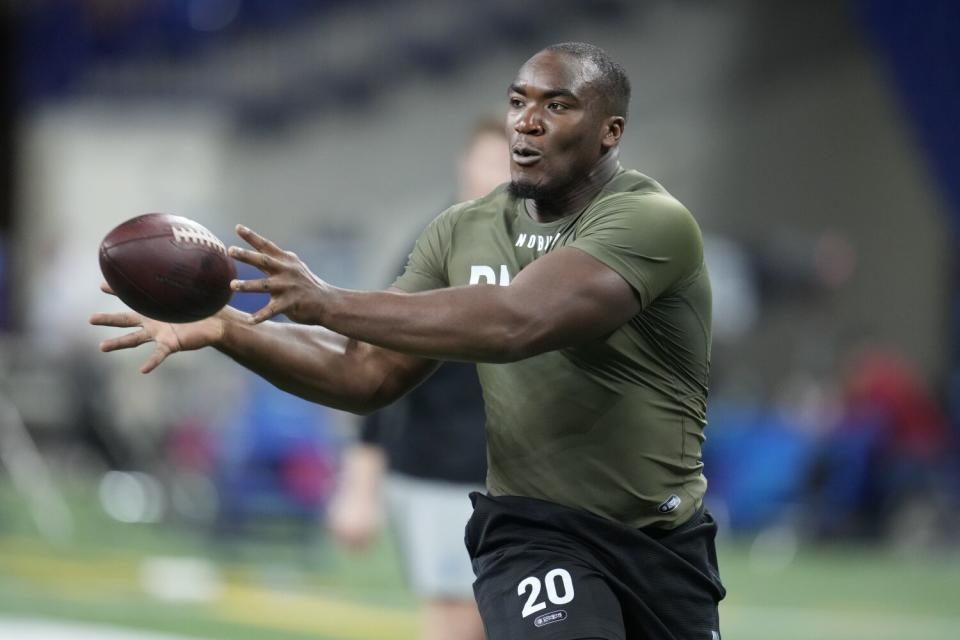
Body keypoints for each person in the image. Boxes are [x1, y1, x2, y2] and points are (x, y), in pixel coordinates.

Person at [92, 42, 725, 640]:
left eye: (556, 105)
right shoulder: (460, 231)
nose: (526, 122)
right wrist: (226, 326)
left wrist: (327, 301)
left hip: (662, 536)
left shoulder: (650, 221)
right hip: (537, 527)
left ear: (611, 131)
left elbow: (516, 323)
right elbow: (364, 375)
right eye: (517, 102)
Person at [326, 118, 507, 640]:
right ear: (465, 165)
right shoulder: (437, 245)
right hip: (444, 474)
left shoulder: (534, 251)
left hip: (511, 478)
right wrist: (359, 484)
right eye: (490, 160)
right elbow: (375, 361)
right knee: (460, 625)